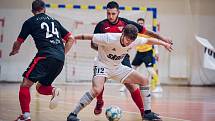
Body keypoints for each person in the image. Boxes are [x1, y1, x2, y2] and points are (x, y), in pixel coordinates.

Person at [67, 24, 172, 121]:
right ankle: (73, 114)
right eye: (127, 39)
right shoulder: (109, 37)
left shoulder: (134, 40)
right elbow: (86, 36)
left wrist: (164, 43)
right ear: (123, 34)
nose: (128, 43)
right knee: (96, 90)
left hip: (117, 68)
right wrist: (71, 37)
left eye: (131, 41)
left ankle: (147, 113)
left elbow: (149, 40)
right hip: (102, 65)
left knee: (144, 80)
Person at [91, 1, 172, 118]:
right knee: (98, 84)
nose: (111, 16)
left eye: (113, 13)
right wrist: (105, 49)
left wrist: (162, 38)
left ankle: (143, 112)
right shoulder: (101, 25)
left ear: (118, 12)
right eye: (108, 13)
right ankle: (99, 102)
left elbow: (147, 32)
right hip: (105, 58)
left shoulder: (126, 24)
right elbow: (93, 44)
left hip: (123, 58)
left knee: (131, 86)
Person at [9, 0, 75, 120]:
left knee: (25, 84)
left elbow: (18, 41)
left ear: (33, 11)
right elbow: (71, 38)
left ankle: (25, 116)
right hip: (59, 59)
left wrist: (15, 50)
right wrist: (61, 53)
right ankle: (54, 90)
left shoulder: (30, 22)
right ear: (45, 9)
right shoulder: (55, 21)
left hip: (45, 56)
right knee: (41, 87)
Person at [120, 18, 163, 93]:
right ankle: (125, 86)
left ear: (144, 24)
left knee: (150, 70)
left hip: (148, 53)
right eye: (139, 23)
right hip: (139, 53)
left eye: (141, 23)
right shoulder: (135, 33)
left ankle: (159, 86)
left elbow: (154, 42)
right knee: (130, 69)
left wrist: (156, 52)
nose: (140, 24)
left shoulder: (147, 33)